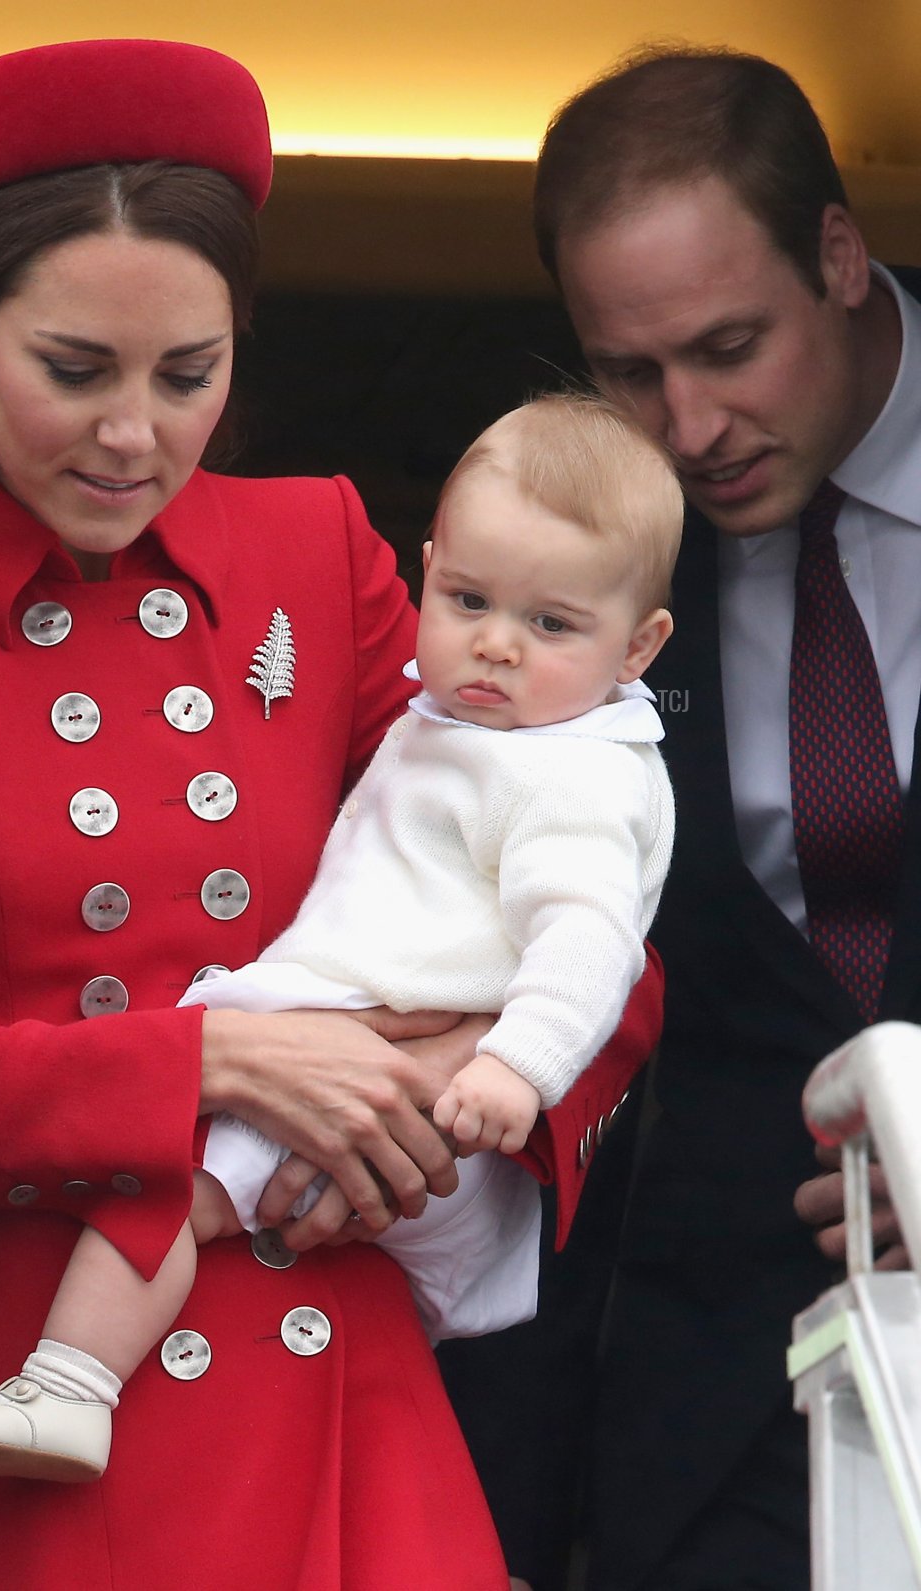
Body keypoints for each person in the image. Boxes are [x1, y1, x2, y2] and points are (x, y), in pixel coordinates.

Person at [0, 39, 663, 1591]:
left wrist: (461, 1080)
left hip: (330, 1354)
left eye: (189, 374)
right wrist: (206, 1057)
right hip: (13, 1401)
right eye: (79, 370)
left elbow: (587, 899)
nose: (138, 434)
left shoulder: (313, 546)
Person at [0, 393, 681, 1486]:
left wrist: (499, 1064)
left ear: (640, 647)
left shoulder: (551, 756)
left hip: (410, 1118)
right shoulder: (472, 709)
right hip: (315, 1095)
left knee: (169, 1173)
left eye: (551, 625)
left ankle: (69, 1383)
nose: (495, 644)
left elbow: (604, 949)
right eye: (466, 600)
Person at [482, 44, 921, 1591]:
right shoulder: (554, 535)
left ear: (839, 253)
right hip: (723, 1401)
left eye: (733, 346)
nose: (688, 423)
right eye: (628, 371)